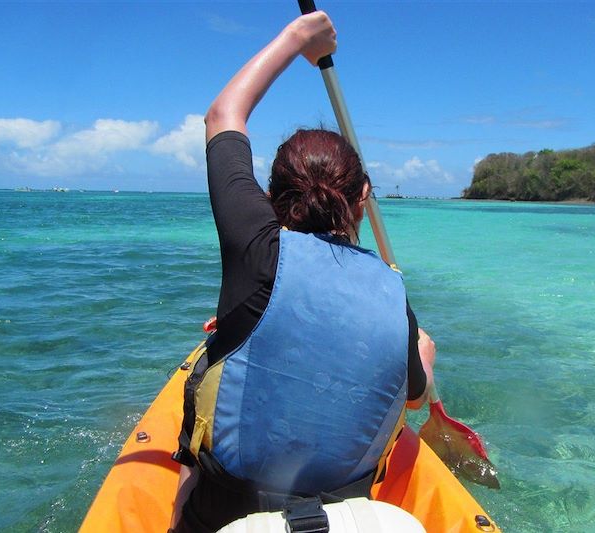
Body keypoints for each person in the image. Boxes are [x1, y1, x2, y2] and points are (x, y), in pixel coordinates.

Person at [170, 11, 436, 532]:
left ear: (270, 198)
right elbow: (414, 396)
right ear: (364, 198)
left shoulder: (259, 251)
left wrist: (298, 39)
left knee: (205, 387)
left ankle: (179, 515)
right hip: (349, 511)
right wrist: (423, 354)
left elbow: (224, 114)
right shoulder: (391, 288)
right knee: (420, 356)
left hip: (229, 511)